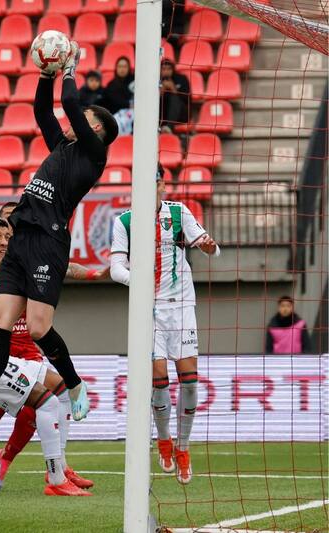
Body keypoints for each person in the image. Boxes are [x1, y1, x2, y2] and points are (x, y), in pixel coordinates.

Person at [0, 42, 118, 427]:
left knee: (36, 327)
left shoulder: (92, 155)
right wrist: (45, 74)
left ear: (94, 127)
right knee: (0, 320)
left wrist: (70, 68)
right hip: (22, 237)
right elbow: (42, 110)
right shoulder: (62, 146)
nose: (69, 122)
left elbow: (69, 104)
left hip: (49, 243)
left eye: (81, 119)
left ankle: (74, 384)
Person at [0, 219, 93, 497]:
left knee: (62, 391)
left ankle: (59, 467)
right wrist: (5, 295)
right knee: (46, 402)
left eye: (8, 236)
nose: (4, 241)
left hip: (11, 360)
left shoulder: (12, 271)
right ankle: (54, 478)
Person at [110, 166, 220, 485]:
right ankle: (164, 440)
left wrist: (209, 246)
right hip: (150, 309)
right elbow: (117, 269)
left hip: (183, 306)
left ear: (162, 185)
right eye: (147, 182)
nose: (154, 186)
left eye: (157, 181)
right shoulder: (125, 221)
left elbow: (203, 240)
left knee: (188, 382)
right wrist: (139, 283)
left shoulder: (178, 211)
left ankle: (183, 447)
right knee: (159, 379)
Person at [160, 59, 191, 132]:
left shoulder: (182, 79)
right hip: (162, 114)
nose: (166, 71)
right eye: (163, 69)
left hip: (180, 115)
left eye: (169, 69)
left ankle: (168, 128)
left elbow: (187, 100)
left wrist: (173, 89)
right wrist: (161, 92)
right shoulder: (155, 79)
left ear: (173, 69)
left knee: (174, 98)